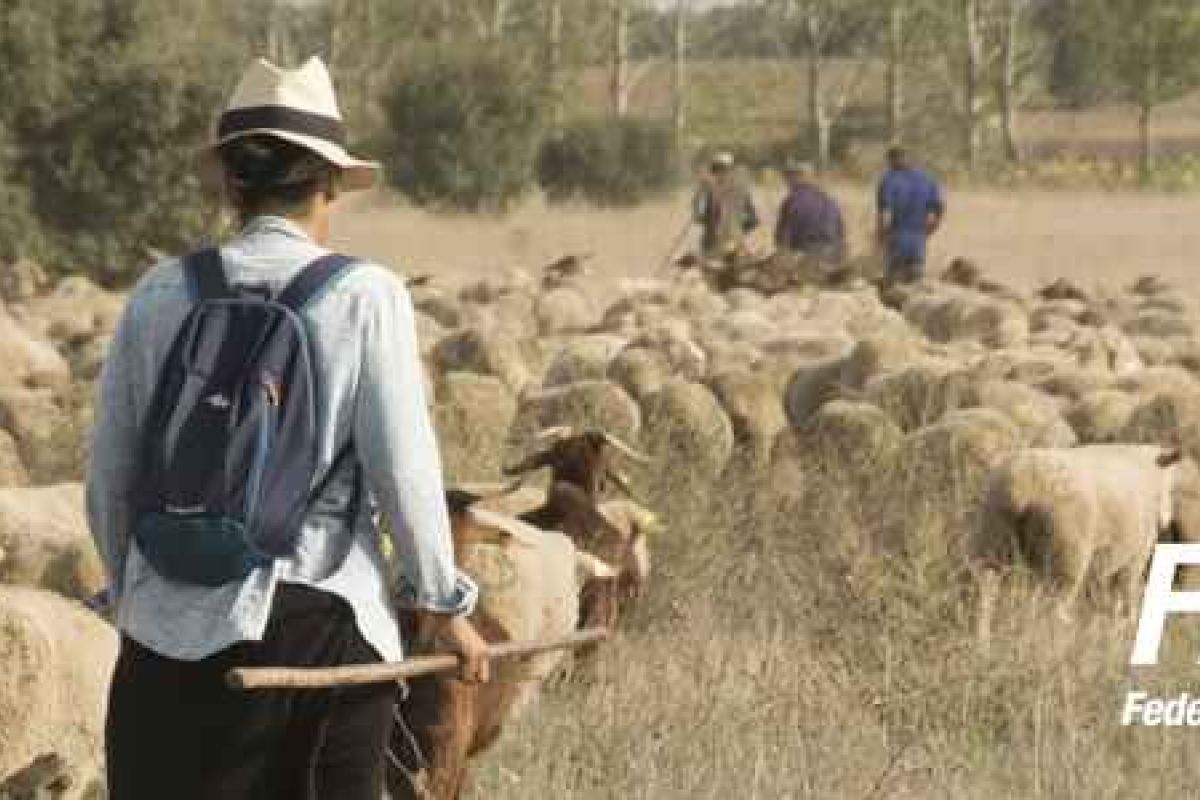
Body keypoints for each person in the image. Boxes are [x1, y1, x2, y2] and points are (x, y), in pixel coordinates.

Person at [88, 56, 489, 800]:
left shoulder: (160, 292)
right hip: (315, 629)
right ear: (331, 182)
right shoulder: (367, 296)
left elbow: (111, 472)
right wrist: (442, 607)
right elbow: (403, 468)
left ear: (231, 182)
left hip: (160, 642)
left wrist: (133, 591)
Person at [876, 146, 945, 284]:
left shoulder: (889, 180)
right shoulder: (928, 179)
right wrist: (930, 230)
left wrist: (882, 236)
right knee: (915, 284)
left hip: (897, 237)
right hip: (919, 239)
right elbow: (939, 208)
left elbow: (885, 213)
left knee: (893, 287)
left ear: (892, 160)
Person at [774, 160, 845, 265]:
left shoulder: (790, 202)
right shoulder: (830, 201)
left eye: (788, 177)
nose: (786, 182)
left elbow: (781, 240)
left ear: (794, 178)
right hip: (832, 259)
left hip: (804, 260)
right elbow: (841, 236)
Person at [693, 151, 760, 258]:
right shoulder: (709, 192)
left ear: (732, 172)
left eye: (724, 170)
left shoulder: (741, 192)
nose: (721, 174)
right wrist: (699, 193)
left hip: (734, 244)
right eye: (717, 171)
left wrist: (739, 226)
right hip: (711, 243)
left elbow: (754, 219)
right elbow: (698, 215)